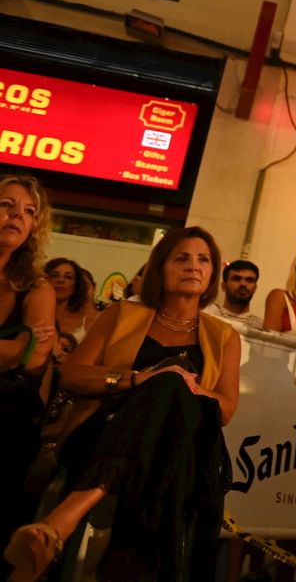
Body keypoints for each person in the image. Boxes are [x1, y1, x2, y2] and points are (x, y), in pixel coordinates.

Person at [6, 226, 240, 581]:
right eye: (181, 258)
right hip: (104, 432)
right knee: (165, 390)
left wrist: (179, 383)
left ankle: (59, 523)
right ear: (160, 267)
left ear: (212, 274)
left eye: (203, 259)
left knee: (172, 388)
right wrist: (133, 379)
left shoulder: (224, 336)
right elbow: (72, 375)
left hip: (183, 449)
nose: (193, 266)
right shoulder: (120, 315)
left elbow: (224, 409)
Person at [0, 176, 57, 542]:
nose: (18, 215)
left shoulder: (36, 286)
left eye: (29, 210)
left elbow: (33, 355)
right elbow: (18, 349)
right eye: (6, 205)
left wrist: (22, 349)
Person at [44, 257, 98, 351]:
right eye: (54, 275)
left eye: (68, 277)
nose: (61, 280)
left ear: (76, 285)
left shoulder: (89, 324)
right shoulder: (27, 315)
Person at [204, 259, 262, 329]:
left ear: (255, 288)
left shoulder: (261, 327)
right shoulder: (207, 315)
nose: (243, 284)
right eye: (237, 279)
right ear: (223, 286)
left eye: (249, 280)